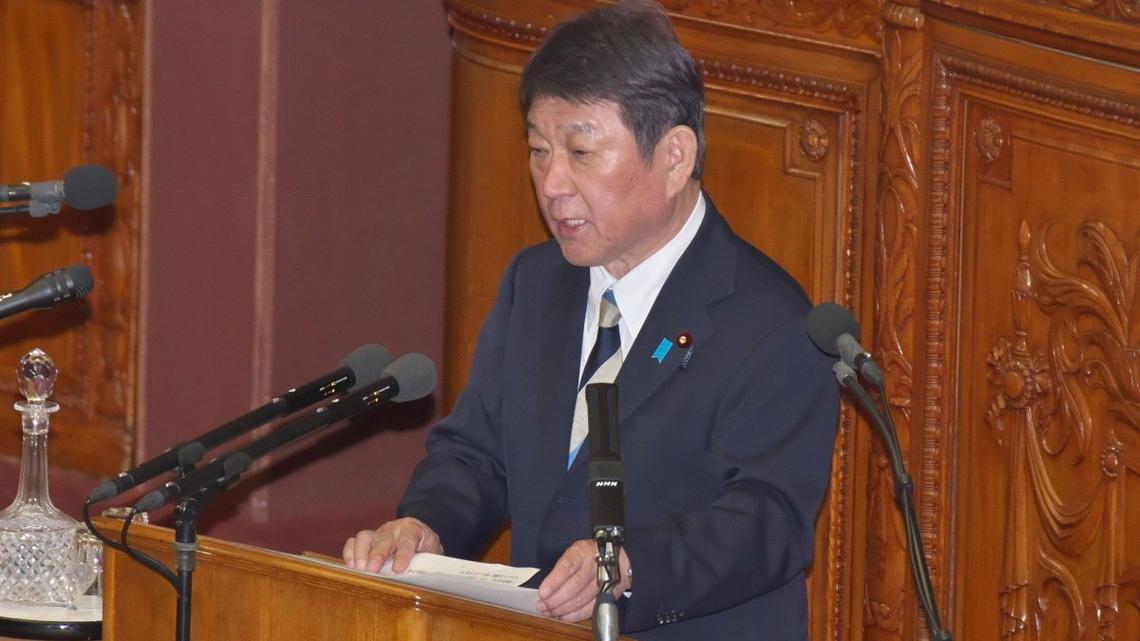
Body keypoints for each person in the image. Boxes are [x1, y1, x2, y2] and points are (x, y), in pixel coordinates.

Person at [344, 2, 839, 639]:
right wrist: (425, 524)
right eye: (538, 149)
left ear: (675, 156)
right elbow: (476, 454)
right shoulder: (536, 283)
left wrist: (627, 565)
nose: (552, 183)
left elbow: (768, 522)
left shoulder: (772, 324)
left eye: (581, 151)